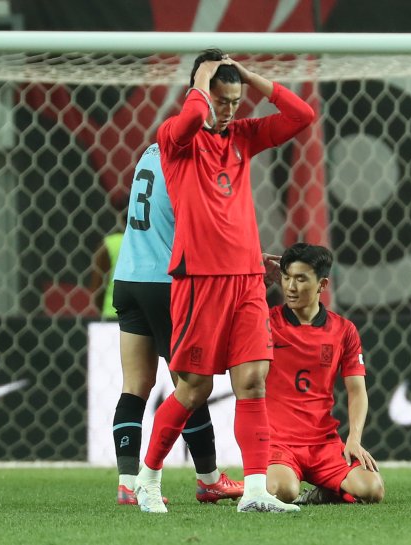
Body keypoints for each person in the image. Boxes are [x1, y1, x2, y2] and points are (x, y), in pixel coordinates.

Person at [134, 48, 315, 514]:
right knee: (192, 389)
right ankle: (147, 480)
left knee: (253, 382)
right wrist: (201, 83)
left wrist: (250, 77)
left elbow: (301, 115)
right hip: (199, 281)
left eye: (236, 100)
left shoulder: (243, 136)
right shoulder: (176, 138)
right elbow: (193, 116)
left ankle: (255, 491)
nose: (231, 108)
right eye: (223, 98)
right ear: (202, 91)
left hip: (248, 280)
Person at [111, 143, 243, 505]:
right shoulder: (192, 155)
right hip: (167, 283)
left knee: (135, 385)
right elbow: (199, 227)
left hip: (128, 278)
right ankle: (208, 479)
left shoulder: (151, 152)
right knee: (192, 384)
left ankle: (126, 483)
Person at [266, 243, 384, 505]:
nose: (290, 287)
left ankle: (322, 492)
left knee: (372, 488)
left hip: (324, 444)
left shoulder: (344, 330)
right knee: (282, 491)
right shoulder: (266, 322)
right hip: (278, 443)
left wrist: (353, 439)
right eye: (286, 278)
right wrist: (254, 280)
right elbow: (230, 314)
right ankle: (253, 486)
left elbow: (357, 391)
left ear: (322, 284)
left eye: (300, 279)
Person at [89, 212, 125, 319]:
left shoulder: (108, 244)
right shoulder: (146, 243)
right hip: (139, 318)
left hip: (111, 313)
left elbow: (97, 287)